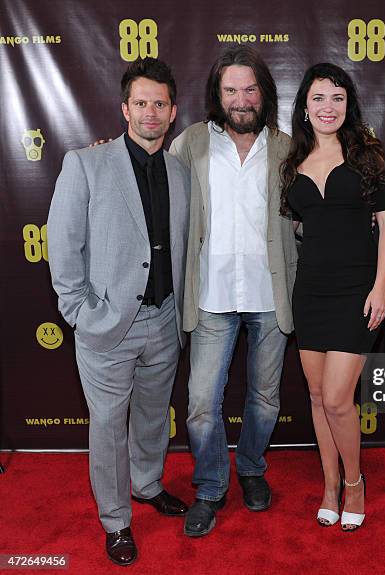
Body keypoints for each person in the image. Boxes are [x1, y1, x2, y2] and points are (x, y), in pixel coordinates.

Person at [47, 58, 190, 565]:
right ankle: (115, 520)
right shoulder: (86, 164)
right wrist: (81, 313)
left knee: (153, 416)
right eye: (141, 103)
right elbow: (62, 249)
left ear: (172, 112)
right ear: (124, 108)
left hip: (164, 318)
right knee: (107, 427)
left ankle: (148, 485)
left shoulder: (180, 170)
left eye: (159, 104)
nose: (150, 113)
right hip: (107, 324)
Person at [169, 45, 298, 537]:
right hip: (210, 298)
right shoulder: (192, 144)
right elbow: (149, 172)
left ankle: (250, 468)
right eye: (231, 90)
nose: (241, 99)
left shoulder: (287, 148)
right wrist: (104, 155)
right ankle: (210, 486)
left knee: (265, 400)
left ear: (264, 93)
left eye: (250, 89)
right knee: (201, 404)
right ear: (216, 95)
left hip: (270, 297)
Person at [280, 63, 385, 531]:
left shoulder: (368, 156)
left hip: (357, 292)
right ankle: (328, 484)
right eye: (318, 99)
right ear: (304, 108)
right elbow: (296, 225)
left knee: (336, 399)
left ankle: (354, 482)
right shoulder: (293, 163)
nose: (327, 107)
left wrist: (380, 287)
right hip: (310, 292)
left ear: (348, 106)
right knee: (314, 395)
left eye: (337, 98)